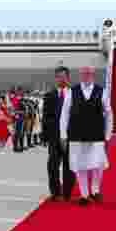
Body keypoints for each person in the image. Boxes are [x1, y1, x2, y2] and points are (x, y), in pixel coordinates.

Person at [59, 65, 112, 206]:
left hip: (97, 134)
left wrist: (108, 135)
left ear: (93, 74)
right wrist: (63, 135)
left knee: (97, 164)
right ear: (80, 75)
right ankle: (84, 194)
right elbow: (64, 114)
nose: (86, 75)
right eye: (83, 73)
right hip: (77, 134)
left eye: (88, 73)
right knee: (80, 165)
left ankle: (95, 191)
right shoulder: (72, 91)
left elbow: (108, 114)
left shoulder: (102, 91)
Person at [43, 67, 75, 201]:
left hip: (70, 137)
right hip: (54, 137)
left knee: (69, 166)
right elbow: (45, 117)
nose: (61, 79)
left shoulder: (74, 95)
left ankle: (67, 193)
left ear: (68, 78)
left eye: (64, 76)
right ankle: (55, 192)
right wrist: (45, 136)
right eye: (58, 77)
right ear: (55, 79)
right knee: (52, 165)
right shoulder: (49, 95)